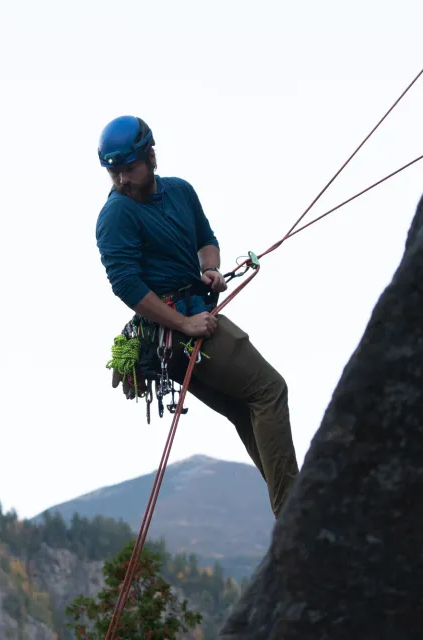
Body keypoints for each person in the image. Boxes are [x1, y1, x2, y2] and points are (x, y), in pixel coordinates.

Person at [94, 115, 300, 518]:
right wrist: (185, 324)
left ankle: (291, 509)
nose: (122, 180)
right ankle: (297, 510)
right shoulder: (117, 214)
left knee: (247, 408)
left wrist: (211, 268)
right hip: (179, 330)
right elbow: (127, 285)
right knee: (269, 390)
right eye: (114, 172)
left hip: (193, 318)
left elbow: (205, 238)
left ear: (151, 155)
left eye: (129, 169)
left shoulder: (180, 192)